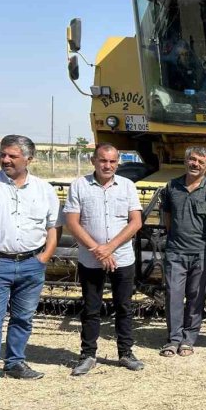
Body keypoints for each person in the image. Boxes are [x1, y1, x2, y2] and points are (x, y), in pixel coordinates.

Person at [0, 135, 59, 394]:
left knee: (23, 318)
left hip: (31, 264)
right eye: (3, 154)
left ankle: (15, 363)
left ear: (29, 159)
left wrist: (45, 256)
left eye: (12, 156)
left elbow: (52, 226)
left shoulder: (44, 189)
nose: (5, 159)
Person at [63, 143, 144, 375]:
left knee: (124, 306)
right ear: (93, 161)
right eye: (103, 160)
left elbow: (136, 222)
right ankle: (88, 354)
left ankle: (125, 353)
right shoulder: (79, 185)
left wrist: (109, 248)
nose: (107, 165)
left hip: (122, 258)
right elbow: (72, 222)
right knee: (91, 308)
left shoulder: (127, 186)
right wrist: (97, 250)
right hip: (91, 259)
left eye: (112, 161)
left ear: (118, 163)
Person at [158, 147, 206, 357]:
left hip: (202, 252)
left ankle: (188, 339)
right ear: (186, 161)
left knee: (196, 297)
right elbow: (167, 217)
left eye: (201, 162)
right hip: (176, 251)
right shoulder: (172, 186)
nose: (195, 164)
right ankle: (173, 339)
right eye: (192, 159)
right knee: (173, 295)